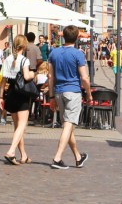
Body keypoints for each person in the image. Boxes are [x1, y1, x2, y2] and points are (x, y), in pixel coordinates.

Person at [48, 25, 91, 169]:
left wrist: (51, 96)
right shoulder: (78, 54)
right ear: (77, 37)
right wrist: (89, 94)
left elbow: (50, 76)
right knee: (68, 124)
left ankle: (78, 157)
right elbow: (84, 78)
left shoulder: (54, 53)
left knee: (68, 125)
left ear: (63, 36)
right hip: (73, 92)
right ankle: (57, 158)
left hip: (59, 92)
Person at [0, 35, 37, 164]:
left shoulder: (7, 59)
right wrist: (33, 74)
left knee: (17, 127)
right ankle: (11, 151)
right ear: (24, 46)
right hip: (21, 94)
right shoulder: (24, 60)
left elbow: (3, 80)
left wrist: (0, 97)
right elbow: (26, 77)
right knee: (22, 125)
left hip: (10, 94)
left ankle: (24, 155)